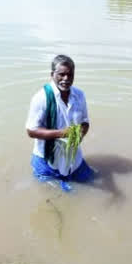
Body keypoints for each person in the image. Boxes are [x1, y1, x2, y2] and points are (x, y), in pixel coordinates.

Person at [26, 55, 94, 192]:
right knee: (51, 195)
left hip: (73, 158)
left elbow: (85, 122)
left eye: (70, 75)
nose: (66, 79)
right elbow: (31, 131)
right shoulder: (41, 98)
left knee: (91, 180)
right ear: (52, 75)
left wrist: (80, 134)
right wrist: (62, 133)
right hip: (47, 160)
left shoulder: (79, 95)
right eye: (61, 74)